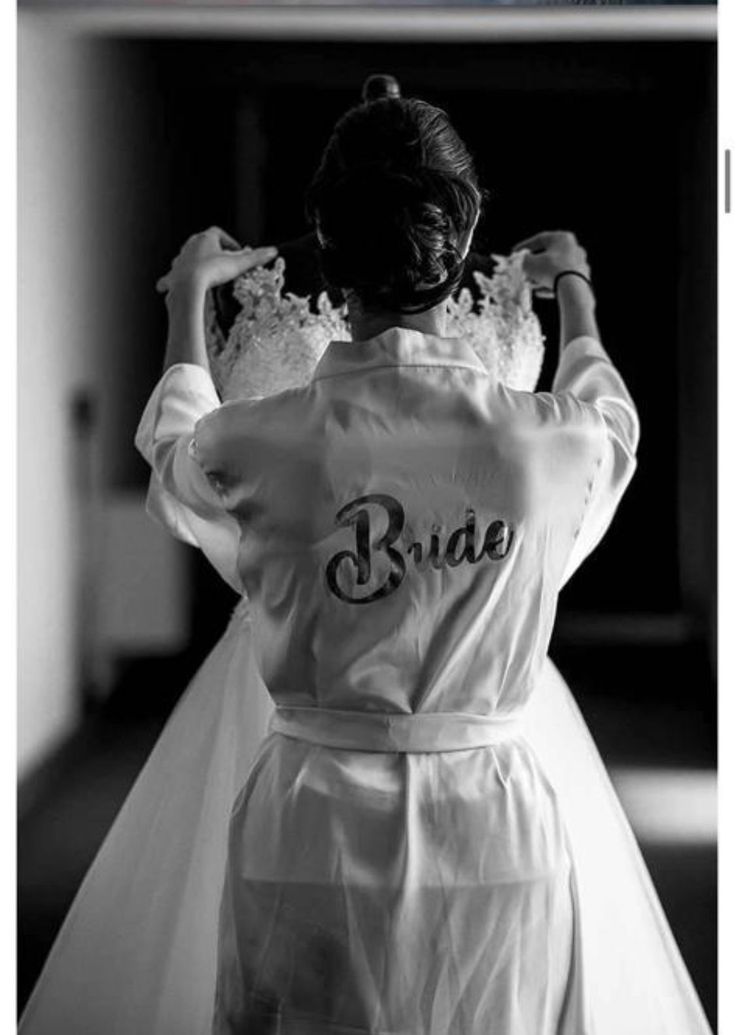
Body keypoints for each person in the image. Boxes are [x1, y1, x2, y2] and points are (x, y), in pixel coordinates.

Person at [19, 89, 712, 1035]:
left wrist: (187, 298)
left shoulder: (268, 441)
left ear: (326, 240)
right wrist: (576, 292)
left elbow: (178, 458)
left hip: (312, 824)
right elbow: (615, 430)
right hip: (495, 827)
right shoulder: (548, 445)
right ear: (460, 241)